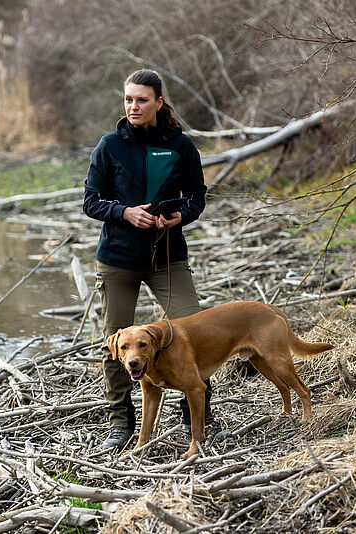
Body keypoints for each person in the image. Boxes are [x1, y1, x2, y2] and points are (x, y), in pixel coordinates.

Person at [83, 69, 216, 451]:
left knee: (197, 333)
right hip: (118, 258)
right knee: (118, 340)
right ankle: (120, 424)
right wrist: (124, 212)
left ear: (158, 102)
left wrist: (180, 216)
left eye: (141, 100)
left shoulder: (181, 145)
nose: (133, 106)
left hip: (168, 256)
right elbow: (91, 200)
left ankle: (199, 413)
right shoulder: (109, 145)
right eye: (128, 99)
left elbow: (196, 197)